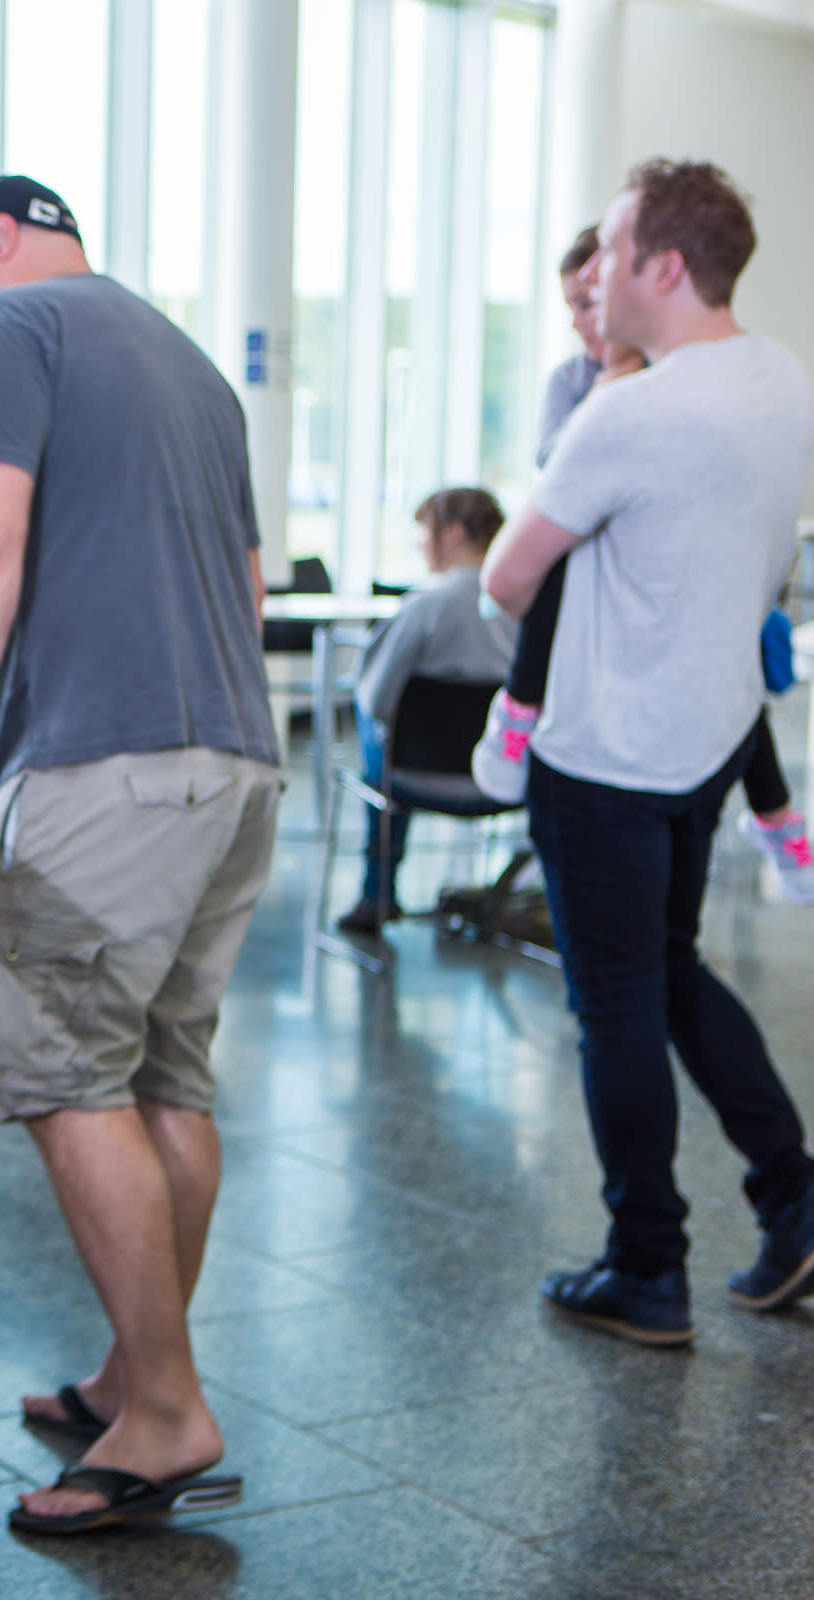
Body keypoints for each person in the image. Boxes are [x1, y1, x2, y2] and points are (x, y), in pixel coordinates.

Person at [0, 175, 279, 1534]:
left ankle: (165, 1413)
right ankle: (131, 1372)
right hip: (235, 762)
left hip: (110, 768)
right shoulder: (194, 366)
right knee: (166, 1073)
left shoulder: (10, 326)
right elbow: (249, 585)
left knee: (58, 1070)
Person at [479, 158, 814, 1347]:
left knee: (616, 1003)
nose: (596, 274)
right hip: (712, 739)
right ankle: (795, 1193)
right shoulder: (785, 379)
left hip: (607, 751)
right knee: (668, 974)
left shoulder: (630, 408)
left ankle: (646, 1265)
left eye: (614, 252)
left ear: (666, 267)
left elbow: (505, 576)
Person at [475, 241, 814, 902]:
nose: (582, 318)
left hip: (687, 610)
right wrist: (604, 403)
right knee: (560, 565)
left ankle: (779, 820)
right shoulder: (578, 384)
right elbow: (557, 487)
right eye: (572, 305)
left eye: (590, 302)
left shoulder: (679, 385)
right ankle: (520, 706)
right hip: (590, 590)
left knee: (736, 674)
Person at [336, 488, 518, 935]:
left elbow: (376, 701)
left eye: (424, 532)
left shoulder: (424, 608)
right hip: (506, 781)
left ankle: (376, 895)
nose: (420, 544)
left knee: (374, 727)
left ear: (452, 533)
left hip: (417, 778)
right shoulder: (524, 607)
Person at [537, 225, 608, 467]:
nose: (576, 323)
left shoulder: (662, 367)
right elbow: (547, 460)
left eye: (587, 304)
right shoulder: (567, 379)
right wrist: (600, 395)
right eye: (571, 307)